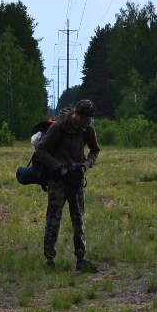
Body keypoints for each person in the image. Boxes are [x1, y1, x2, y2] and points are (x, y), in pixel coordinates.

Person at [33, 100, 101, 272]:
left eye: (88, 121)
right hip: (58, 180)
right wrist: (58, 167)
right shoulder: (58, 127)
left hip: (76, 179)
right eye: (83, 119)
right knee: (53, 220)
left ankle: (81, 259)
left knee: (79, 220)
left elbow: (95, 150)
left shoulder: (88, 128)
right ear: (76, 113)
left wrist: (85, 166)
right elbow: (40, 150)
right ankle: (49, 260)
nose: (84, 124)